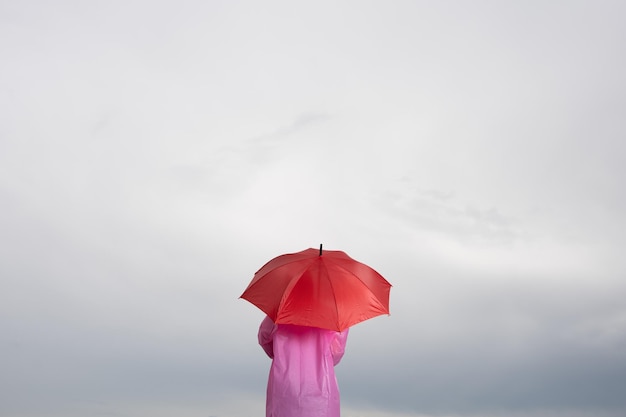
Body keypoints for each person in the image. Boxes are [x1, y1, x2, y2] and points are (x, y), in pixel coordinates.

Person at [258, 315, 349, 417]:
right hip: (322, 400)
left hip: (284, 393)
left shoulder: (280, 310)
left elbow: (264, 340)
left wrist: (278, 352)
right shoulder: (335, 314)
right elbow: (336, 353)